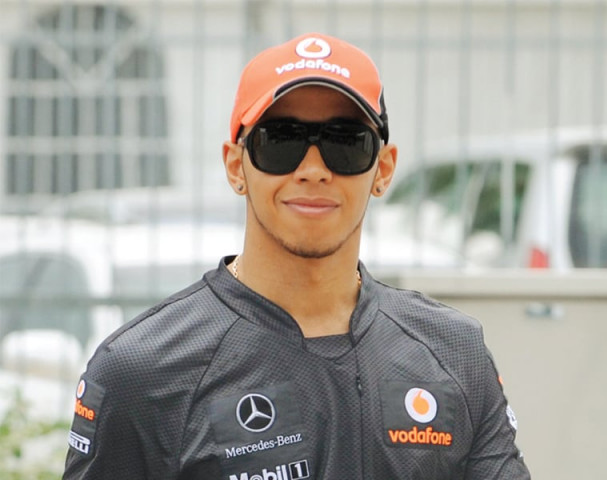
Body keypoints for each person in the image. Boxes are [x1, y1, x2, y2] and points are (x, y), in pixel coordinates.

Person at [63, 32, 531, 479]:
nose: (312, 169)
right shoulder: (141, 370)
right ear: (235, 166)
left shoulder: (455, 351)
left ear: (384, 169)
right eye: (281, 140)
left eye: (345, 142)